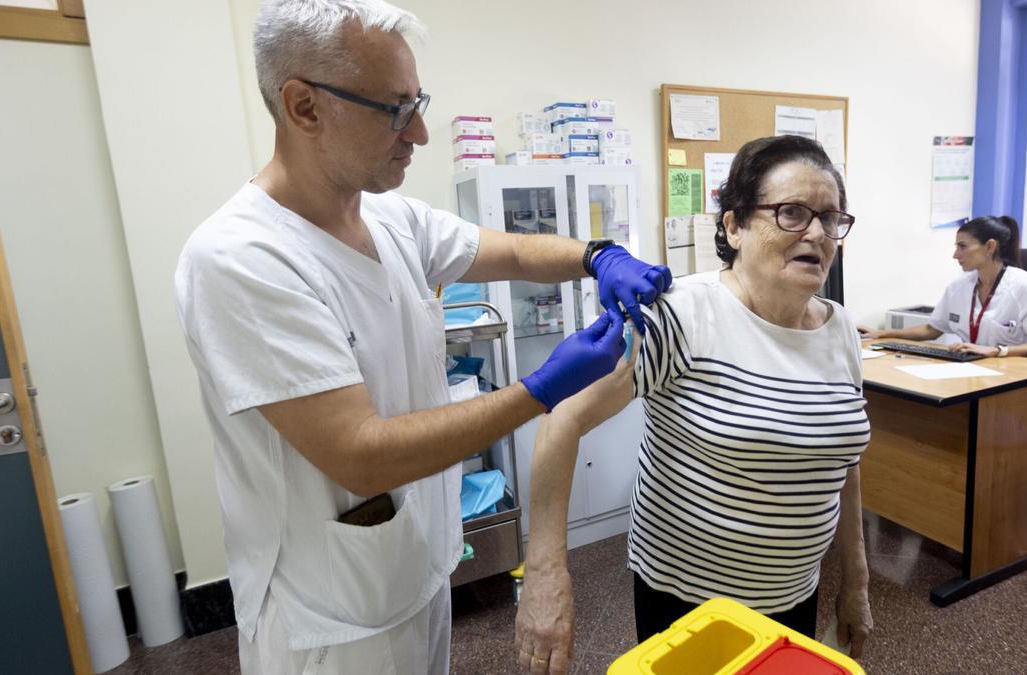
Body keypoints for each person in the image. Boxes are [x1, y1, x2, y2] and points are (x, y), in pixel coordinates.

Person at [173, 2, 670, 673]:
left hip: (416, 570)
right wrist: (540, 389)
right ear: (303, 106)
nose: (423, 132)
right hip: (329, 619)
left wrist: (599, 255)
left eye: (419, 101)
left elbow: (517, 254)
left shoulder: (390, 217)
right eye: (395, 108)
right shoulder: (241, 258)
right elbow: (361, 454)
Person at [515, 135, 873, 674]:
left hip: (794, 594)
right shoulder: (682, 315)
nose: (818, 234)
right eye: (793, 213)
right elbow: (561, 419)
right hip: (688, 603)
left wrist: (857, 580)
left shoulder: (839, 326)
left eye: (830, 217)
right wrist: (545, 575)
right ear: (734, 226)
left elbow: (842, 460)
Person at [859, 215, 1027, 358]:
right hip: (973, 368)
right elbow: (931, 330)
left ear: (990, 246)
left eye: (963, 246)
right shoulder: (959, 287)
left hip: (1014, 374)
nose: (956, 255)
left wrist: (997, 351)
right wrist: (882, 334)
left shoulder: (1025, 286)